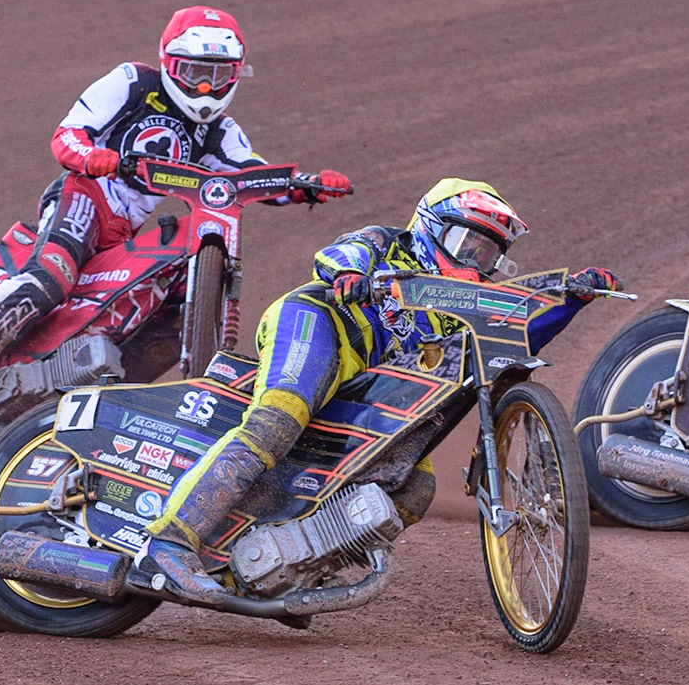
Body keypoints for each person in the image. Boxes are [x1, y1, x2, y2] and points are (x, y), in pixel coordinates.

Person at [136, 178, 622, 603]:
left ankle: (287, 566)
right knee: (277, 421)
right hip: (318, 322)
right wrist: (350, 276)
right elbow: (342, 252)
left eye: (488, 251)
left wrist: (571, 301)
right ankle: (171, 542)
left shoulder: (462, 303)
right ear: (430, 226)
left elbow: (511, 339)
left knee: (414, 486)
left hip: (371, 381)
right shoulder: (388, 243)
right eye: (466, 241)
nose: (475, 257)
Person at [0, 5, 351, 446]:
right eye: (195, 71)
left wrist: (304, 186)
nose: (204, 86)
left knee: (164, 310)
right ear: (168, 63)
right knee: (52, 278)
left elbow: (249, 176)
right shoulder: (133, 83)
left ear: (235, 75)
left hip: (125, 230)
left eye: (217, 75)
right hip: (85, 196)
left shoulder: (218, 130)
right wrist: (89, 157)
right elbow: (68, 132)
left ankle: (95, 402)